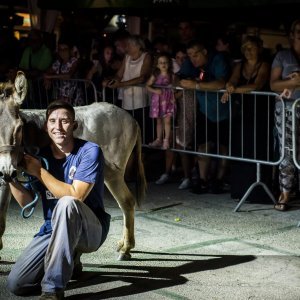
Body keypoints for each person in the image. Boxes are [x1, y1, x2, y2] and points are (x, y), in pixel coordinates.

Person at [7, 100, 111, 300]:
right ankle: (68, 259)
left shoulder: (90, 151)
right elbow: (26, 202)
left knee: (67, 203)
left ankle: (52, 289)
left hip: (90, 229)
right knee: (16, 285)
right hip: (52, 230)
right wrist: (9, 178)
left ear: (74, 125)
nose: (58, 127)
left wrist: (39, 171)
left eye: (65, 121)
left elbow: (76, 195)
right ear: (46, 127)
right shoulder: (42, 156)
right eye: (53, 121)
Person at [221, 35, 272, 202]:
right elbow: (233, 80)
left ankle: (259, 192)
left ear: (259, 48)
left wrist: (234, 90)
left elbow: (257, 85)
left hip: (261, 112)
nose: (248, 51)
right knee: (241, 147)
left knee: (258, 148)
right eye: (245, 48)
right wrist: (229, 86)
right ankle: (240, 189)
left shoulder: (264, 65)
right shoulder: (239, 65)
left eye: (251, 48)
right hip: (242, 112)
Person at [179, 40, 231, 194]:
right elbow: (179, 79)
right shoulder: (189, 63)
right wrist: (185, 81)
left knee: (223, 148)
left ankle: (219, 181)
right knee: (203, 146)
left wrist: (196, 85)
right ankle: (202, 180)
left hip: (225, 111)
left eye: (195, 55)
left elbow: (221, 83)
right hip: (204, 110)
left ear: (205, 52)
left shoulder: (218, 60)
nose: (192, 58)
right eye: (189, 55)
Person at [270, 19, 300, 211]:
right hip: (287, 110)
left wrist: (294, 82)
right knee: (287, 150)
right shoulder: (283, 56)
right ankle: (286, 193)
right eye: (298, 30)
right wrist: (296, 83)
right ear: (291, 33)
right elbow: (274, 85)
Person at [147, 53, 176, 150]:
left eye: (165, 62)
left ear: (169, 64)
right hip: (158, 101)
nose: (163, 64)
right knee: (159, 121)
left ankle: (166, 140)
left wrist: (173, 90)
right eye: (161, 63)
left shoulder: (172, 75)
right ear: (157, 65)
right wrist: (155, 90)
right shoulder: (155, 75)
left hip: (168, 101)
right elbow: (147, 86)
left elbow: (176, 86)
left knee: (167, 121)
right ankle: (158, 139)